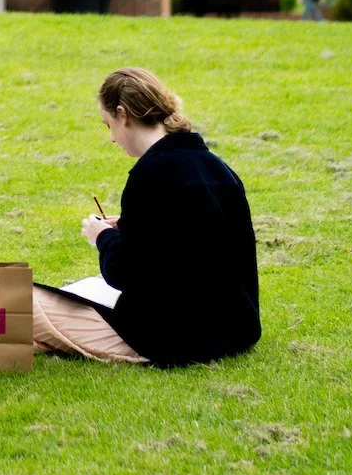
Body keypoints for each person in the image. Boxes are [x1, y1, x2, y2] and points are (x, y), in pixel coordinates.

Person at [33, 68, 260, 366]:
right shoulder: (218, 168)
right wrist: (128, 227)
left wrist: (103, 237)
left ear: (122, 114)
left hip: (171, 338)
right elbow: (189, 241)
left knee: (22, 302)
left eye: (109, 125)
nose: (113, 138)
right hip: (234, 328)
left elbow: (124, 272)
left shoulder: (150, 174)